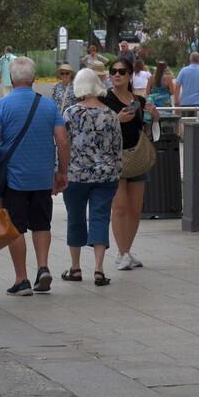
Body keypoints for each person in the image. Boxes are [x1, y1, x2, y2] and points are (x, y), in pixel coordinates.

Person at [0, 57, 69, 296]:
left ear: (11, 79)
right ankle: (43, 267)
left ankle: (21, 278)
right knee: (42, 224)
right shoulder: (49, 106)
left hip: (14, 178)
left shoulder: (1, 106)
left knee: (16, 228)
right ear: (33, 79)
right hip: (43, 177)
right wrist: (63, 171)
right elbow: (62, 140)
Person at [61, 68, 123, 287]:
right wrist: (116, 170)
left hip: (76, 175)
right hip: (105, 175)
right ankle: (98, 269)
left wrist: (60, 171)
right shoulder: (111, 115)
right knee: (100, 218)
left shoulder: (70, 113)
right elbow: (118, 148)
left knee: (75, 217)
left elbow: (62, 144)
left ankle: (75, 268)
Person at [101, 58, 159, 271]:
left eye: (122, 72)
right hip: (114, 158)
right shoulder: (105, 100)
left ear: (130, 75)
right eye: (113, 71)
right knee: (120, 207)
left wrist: (153, 117)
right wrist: (117, 119)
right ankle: (122, 253)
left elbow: (143, 128)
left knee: (135, 209)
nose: (117, 75)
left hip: (136, 156)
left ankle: (126, 250)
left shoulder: (138, 100)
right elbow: (99, 130)